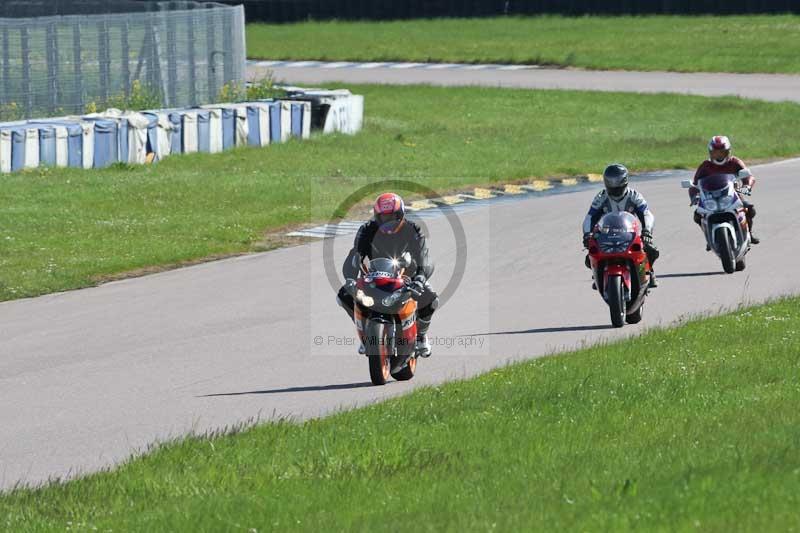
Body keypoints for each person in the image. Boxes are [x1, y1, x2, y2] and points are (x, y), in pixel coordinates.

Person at [336, 192, 438, 357]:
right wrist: (350, 278)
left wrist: (420, 277)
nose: (387, 222)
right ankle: (367, 336)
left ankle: (421, 336)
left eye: (392, 216)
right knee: (344, 296)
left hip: (407, 276)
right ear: (377, 216)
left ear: (401, 214)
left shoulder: (413, 229)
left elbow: (423, 257)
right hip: (375, 276)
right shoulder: (367, 230)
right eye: (383, 217)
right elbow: (356, 255)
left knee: (431, 298)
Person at [582, 163, 659, 288]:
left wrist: (647, 231)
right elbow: (589, 217)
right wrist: (587, 235)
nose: (614, 187)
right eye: (611, 184)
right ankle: (598, 275)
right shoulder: (601, 197)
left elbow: (647, 214)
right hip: (606, 234)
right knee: (590, 255)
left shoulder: (634, 196)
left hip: (629, 233)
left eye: (617, 184)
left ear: (625, 182)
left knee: (651, 250)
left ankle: (649, 271)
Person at [689, 135, 758, 244]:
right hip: (709, 199)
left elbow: (748, 176)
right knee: (697, 215)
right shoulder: (705, 166)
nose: (719, 155)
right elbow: (694, 184)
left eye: (722, 152)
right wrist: (695, 196)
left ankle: (749, 233)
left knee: (749, 208)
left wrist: (747, 186)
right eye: (716, 153)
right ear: (710, 153)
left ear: (728, 152)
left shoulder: (734, 162)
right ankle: (709, 237)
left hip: (733, 196)